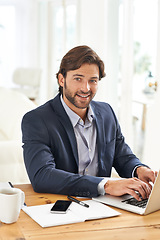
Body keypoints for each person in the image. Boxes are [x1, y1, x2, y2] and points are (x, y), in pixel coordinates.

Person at [22, 45, 157, 201]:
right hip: (60, 205)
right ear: (61, 79)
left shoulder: (107, 113)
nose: (86, 88)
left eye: (92, 80)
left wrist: (139, 170)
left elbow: (122, 156)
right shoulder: (37, 120)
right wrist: (106, 185)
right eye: (78, 79)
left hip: (105, 205)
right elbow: (42, 176)